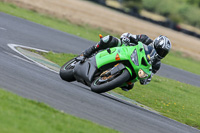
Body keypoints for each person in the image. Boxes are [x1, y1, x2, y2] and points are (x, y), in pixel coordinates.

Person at [76, 33, 172, 91]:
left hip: (134, 67)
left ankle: (111, 79)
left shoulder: (156, 64)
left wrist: (145, 79)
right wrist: (126, 38)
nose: (161, 53)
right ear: (155, 43)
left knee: (129, 86)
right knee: (109, 39)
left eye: (164, 52)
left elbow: (149, 76)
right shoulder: (145, 39)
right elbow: (127, 35)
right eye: (160, 50)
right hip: (125, 50)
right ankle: (86, 53)